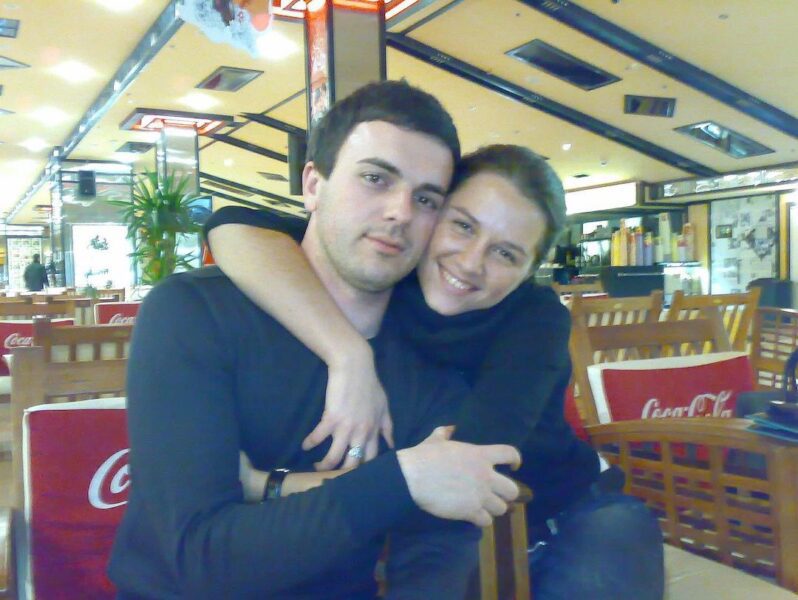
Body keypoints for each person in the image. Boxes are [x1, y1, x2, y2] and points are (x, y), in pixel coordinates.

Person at [109, 80, 522, 599]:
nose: (400, 212)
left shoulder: (431, 358)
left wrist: (274, 488)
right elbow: (195, 561)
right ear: (312, 185)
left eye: (425, 199)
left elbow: (432, 556)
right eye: (375, 178)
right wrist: (403, 481)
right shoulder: (194, 314)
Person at [206, 145, 665, 599]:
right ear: (432, 217)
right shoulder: (389, 272)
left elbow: (459, 470)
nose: (470, 262)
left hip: (567, 512)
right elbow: (234, 225)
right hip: (445, 529)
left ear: (529, 271)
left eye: (506, 254)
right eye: (463, 226)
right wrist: (348, 354)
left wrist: (274, 486)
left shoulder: (535, 320)